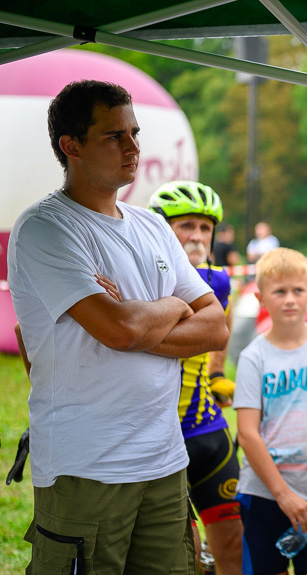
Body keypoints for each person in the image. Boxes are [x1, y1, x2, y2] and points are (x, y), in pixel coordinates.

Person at [7, 80, 229, 573]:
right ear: (72, 146)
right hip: (86, 467)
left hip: (165, 461)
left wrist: (138, 313)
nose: (134, 148)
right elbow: (120, 330)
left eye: (135, 133)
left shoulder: (151, 225)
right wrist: (173, 304)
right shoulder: (46, 227)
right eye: (114, 136)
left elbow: (215, 329)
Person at [149, 181, 243, 574]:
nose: (198, 237)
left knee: (234, 542)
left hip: (208, 428)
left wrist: (218, 370)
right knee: (182, 553)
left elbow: (222, 327)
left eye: (206, 228)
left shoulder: (218, 281)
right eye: (187, 225)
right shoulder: (142, 279)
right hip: (159, 436)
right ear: (159, 229)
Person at [235, 248, 307, 575]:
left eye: (297, 290)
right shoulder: (254, 357)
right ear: (262, 297)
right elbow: (248, 433)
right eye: (279, 291)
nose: (290, 299)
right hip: (265, 493)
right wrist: (283, 495)